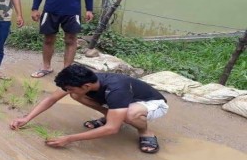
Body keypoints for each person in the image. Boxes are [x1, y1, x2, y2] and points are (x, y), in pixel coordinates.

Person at [10, 65, 168, 154]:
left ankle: (145, 132)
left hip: (151, 103)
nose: (68, 91)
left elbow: (112, 129)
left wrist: (68, 139)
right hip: (120, 102)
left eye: (70, 88)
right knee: (77, 96)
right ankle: (113, 116)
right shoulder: (83, 81)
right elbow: (52, 98)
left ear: (86, 86)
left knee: (129, 115)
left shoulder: (116, 89)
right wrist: (26, 118)